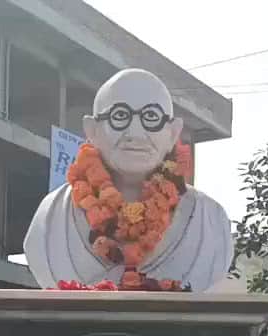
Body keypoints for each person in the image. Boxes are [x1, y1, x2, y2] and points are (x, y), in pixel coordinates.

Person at [23, 69, 233, 291]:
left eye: (151, 117)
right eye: (119, 116)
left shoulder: (210, 221)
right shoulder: (51, 218)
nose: (135, 133)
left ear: (173, 133)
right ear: (92, 130)